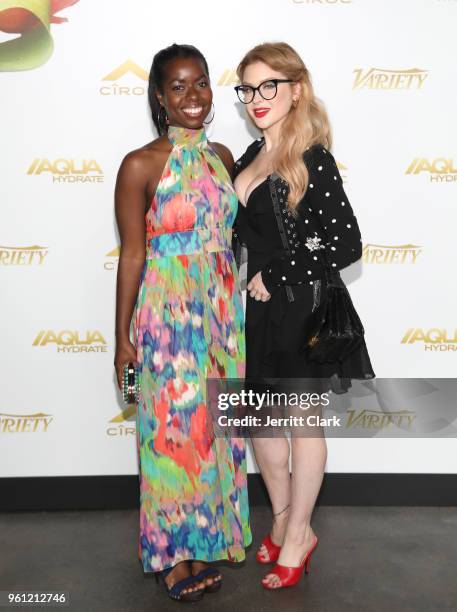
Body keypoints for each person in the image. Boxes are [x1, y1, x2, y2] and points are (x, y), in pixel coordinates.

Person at [232, 42, 375, 590]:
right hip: (255, 313)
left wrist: (278, 274)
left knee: (300, 425)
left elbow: (347, 243)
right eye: (248, 88)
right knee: (261, 428)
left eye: (270, 85)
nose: (257, 99)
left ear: (296, 89)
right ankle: (282, 519)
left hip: (300, 309)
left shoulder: (311, 156)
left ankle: (300, 535)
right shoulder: (248, 158)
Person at [114, 43, 252, 603]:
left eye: (200, 83)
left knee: (214, 435)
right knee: (170, 441)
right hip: (168, 320)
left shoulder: (222, 153)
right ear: (159, 96)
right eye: (178, 86)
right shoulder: (140, 164)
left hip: (220, 317)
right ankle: (170, 554)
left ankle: (205, 540)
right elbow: (131, 255)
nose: (192, 96)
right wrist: (121, 338)